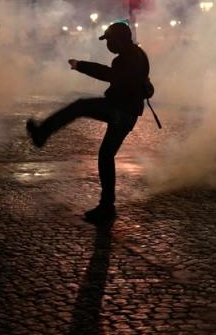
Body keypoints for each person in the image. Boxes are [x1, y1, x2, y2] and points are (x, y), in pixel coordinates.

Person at [26, 22, 150, 224]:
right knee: (106, 155)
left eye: (109, 40)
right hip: (130, 113)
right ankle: (107, 206)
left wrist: (80, 65)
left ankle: (42, 133)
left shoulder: (125, 60)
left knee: (80, 106)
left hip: (119, 109)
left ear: (119, 39)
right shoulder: (139, 54)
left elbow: (109, 75)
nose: (108, 44)